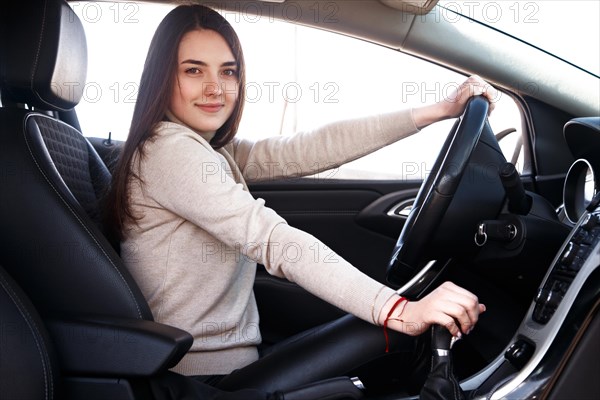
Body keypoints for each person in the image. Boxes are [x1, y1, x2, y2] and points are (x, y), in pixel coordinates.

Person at [106, 4, 495, 392]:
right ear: (161, 77)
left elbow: (308, 148)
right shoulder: (170, 151)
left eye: (228, 71)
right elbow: (274, 239)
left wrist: (438, 111)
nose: (215, 88)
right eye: (193, 70)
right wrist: (399, 311)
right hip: (196, 380)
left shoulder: (209, 150)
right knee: (388, 343)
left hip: (226, 364)